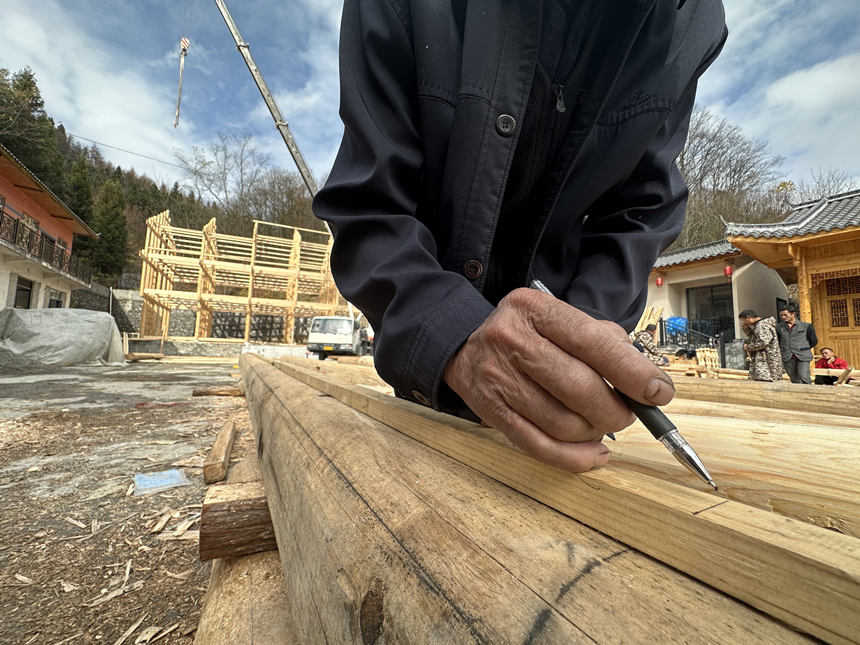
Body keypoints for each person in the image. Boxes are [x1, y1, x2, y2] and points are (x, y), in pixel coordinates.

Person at [313, 1, 727, 473]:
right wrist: (452, 335)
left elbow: (642, 209)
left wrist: (580, 335)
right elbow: (371, 204)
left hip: (560, 370)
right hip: (432, 363)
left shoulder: (693, 20)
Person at [776, 304, 818, 384]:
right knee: (794, 379)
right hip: (787, 356)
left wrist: (803, 347)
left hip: (803, 356)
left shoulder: (806, 326)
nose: (783, 317)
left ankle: (808, 393)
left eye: (785, 315)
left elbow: (813, 341)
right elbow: (778, 341)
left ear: (793, 314)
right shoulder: (778, 327)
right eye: (781, 316)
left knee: (804, 376)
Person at [738, 310, 782, 382]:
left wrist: (748, 347)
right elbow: (756, 338)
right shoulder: (759, 325)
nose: (745, 323)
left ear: (748, 318)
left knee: (766, 380)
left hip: (766, 360)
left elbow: (762, 342)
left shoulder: (762, 325)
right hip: (764, 358)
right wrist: (747, 330)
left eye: (744, 321)